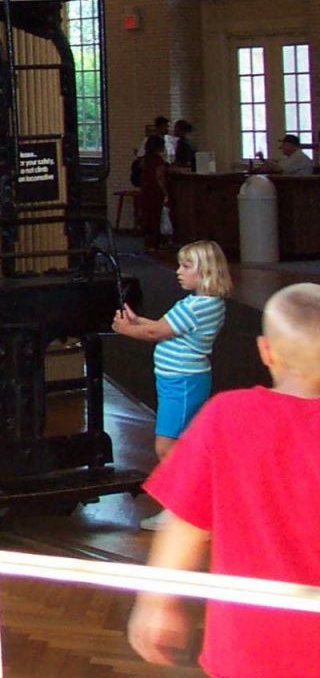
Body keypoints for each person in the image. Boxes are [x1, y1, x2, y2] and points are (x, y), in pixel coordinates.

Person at [128, 283, 320, 676]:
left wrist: (157, 602)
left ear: (266, 351)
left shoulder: (227, 417)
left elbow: (186, 525)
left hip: (248, 645)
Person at [112, 240, 230, 529]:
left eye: (186, 266)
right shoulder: (200, 304)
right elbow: (165, 327)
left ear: (206, 272)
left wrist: (127, 329)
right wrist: (138, 320)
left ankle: (183, 508)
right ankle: (190, 505)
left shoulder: (198, 305)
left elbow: (157, 331)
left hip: (183, 383)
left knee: (167, 446)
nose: (178, 271)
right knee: (179, 444)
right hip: (179, 382)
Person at [136, 134, 170, 251]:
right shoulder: (159, 161)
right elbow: (159, 178)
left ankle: (148, 242)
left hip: (145, 190)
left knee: (147, 216)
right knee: (155, 217)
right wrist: (165, 193)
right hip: (155, 191)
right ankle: (155, 243)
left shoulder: (144, 159)